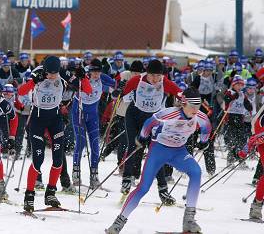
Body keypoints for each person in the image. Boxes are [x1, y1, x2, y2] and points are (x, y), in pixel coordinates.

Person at [106, 87, 211, 234]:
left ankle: (189, 220)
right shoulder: (169, 114)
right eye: (192, 106)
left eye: (198, 106)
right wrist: (142, 138)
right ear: (183, 103)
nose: (195, 110)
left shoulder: (200, 117)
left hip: (179, 152)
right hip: (159, 150)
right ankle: (118, 224)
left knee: (196, 172)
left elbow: (207, 127)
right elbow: (149, 123)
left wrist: (204, 142)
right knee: (143, 187)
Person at [18, 55, 92, 212]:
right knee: (38, 159)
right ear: (45, 70)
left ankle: (51, 192)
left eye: (55, 73)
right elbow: (21, 91)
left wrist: (82, 77)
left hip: (55, 118)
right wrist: (33, 82)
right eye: (50, 74)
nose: (52, 77)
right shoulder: (37, 73)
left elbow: (87, 90)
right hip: (38, 118)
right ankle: (29, 195)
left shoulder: (63, 74)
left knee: (58, 159)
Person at [119, 60, 181, 205]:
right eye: (152, 76)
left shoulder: (165, 82)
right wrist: (119, 91)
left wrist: (188, 98)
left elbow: (180, 93)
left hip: (153, 119)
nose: (155, 79)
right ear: (147, 73)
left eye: (158, 76)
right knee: (133, 146)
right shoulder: (137, 80)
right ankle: (127, 180)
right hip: (134, 116)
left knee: (155, 152)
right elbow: (122, 94)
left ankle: (163, 190)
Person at [72, 58, 116, 189]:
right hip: (78, 112)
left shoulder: (103, 77)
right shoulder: (83, 76)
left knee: (95, 144)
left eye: (98, 71)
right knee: (80, 143)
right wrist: (76, 76)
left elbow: (116, 84)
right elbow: (71, 83)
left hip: (92, 115)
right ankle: (76, 173)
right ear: (89, 70)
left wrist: (119, 88)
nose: (96, 74)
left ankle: (94, 175)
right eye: (94, 71)